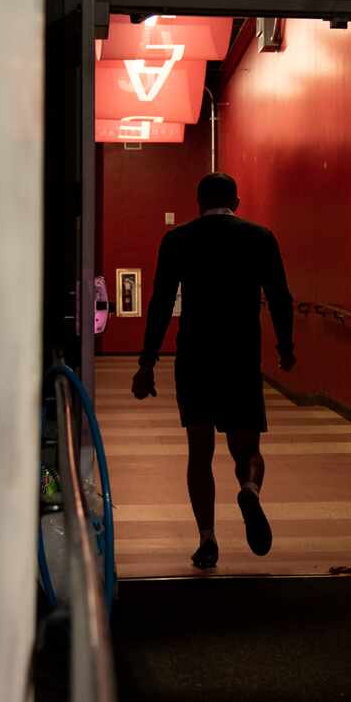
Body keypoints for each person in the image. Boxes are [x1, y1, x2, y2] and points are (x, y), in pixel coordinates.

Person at [132, 172, 296, 569]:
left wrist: (147, 361)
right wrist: (285, 346)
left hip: (196, 355)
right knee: (248, 448)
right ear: (236, 202)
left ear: (198, 202)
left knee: (199, 451)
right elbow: (279, 296)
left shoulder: (178, 240)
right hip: (241, 355)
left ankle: (207, 540)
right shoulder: (260, 237)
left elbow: (160, 302)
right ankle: (251, 489)